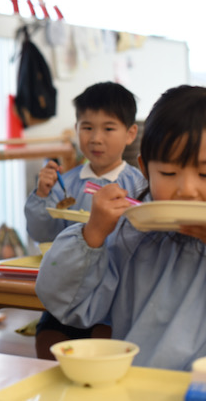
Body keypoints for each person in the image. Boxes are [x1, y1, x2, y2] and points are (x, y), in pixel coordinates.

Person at [36, 85, 206, 371]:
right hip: (134, 383)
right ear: (144, 169)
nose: (187, 190)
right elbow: (70, 305)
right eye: (168, 173)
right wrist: (93, 234)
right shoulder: (134, 233)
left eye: (204, 173)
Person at [24, 81, 146, 358]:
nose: (96, 138)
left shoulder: (139, 186)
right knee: (49, 345)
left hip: (117, 297)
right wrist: (42, 196)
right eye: (87, 127)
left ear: (130, 133)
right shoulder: (64, 183)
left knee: (107, 349)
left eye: (108, 128)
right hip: (69, 286)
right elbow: (43, 233)